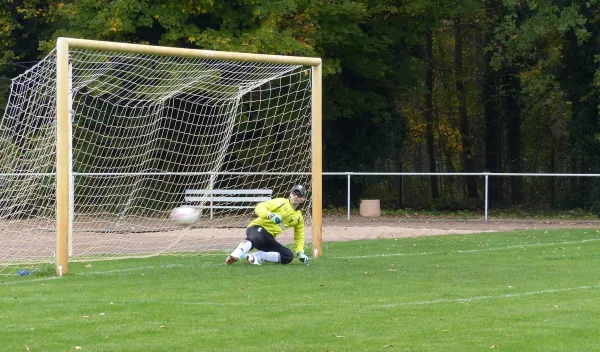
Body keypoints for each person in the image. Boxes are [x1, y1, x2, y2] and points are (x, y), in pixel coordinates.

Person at [225, 184, 310, 266]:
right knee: (256, 238)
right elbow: (260, 207)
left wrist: (300, 253)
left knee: (288, 256)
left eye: (299, 195)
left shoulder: (299, 218)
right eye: (294, 193)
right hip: (257, 227)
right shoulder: (281, 202)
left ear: (303, 199)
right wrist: (270, 215)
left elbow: (299, 237)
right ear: (290, 194)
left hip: (268, 238)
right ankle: (236, 254)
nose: (296, 196)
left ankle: (257, 256)